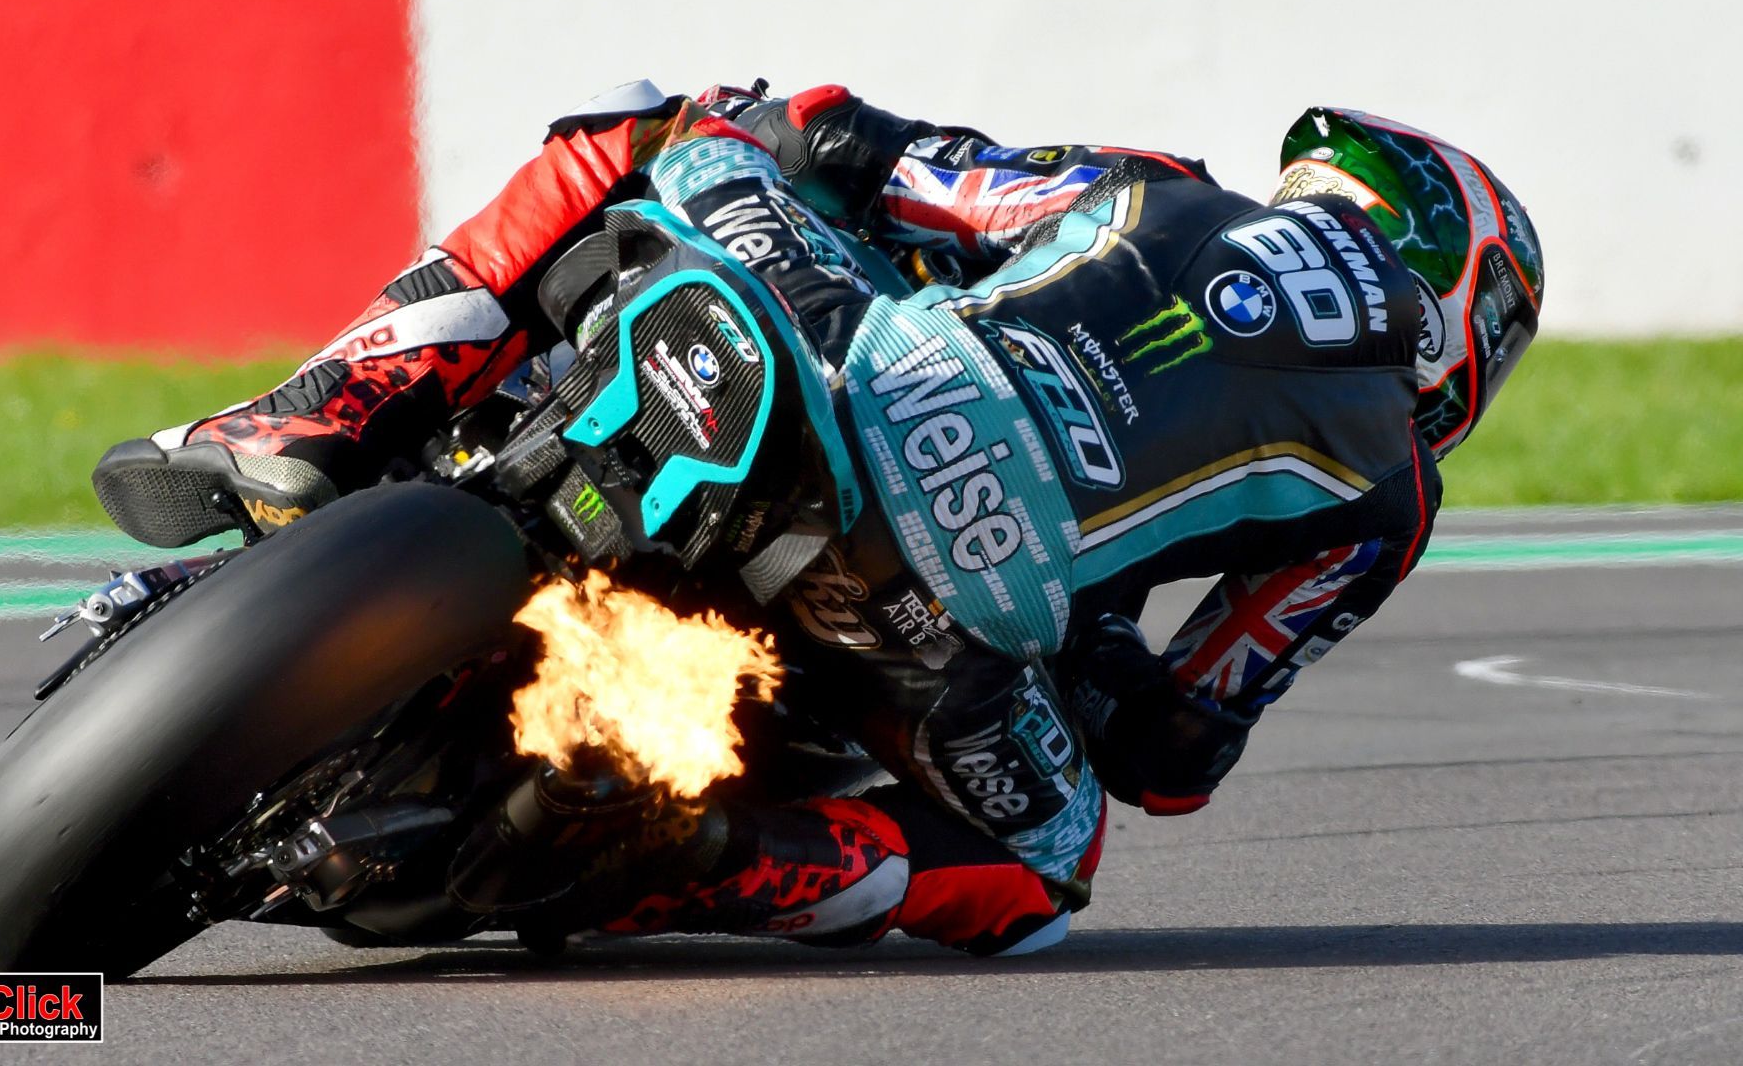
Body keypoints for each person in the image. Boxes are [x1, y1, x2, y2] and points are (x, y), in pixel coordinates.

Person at [92, 81, 1544, 955]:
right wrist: (1102, 652)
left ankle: (312, 412)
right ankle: (719, 853)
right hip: (923, 600)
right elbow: (1175, 756)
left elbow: (891, 156)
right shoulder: (1390, 497)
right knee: (1045, 875)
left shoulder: (1155, 189)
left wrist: (788, 153)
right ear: (1468, 312)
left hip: (834, 351)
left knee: (648, 138)